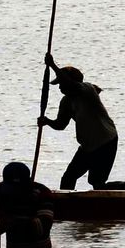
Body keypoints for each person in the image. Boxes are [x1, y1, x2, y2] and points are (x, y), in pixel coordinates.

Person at [37, 53, 119, 190]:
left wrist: (52, 65)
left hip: (106, 142)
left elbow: (72, 85)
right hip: (87, 146)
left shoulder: (87, 90)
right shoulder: (66, 101)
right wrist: (46, 121)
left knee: (96, 181)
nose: (59, 87)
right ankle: (65, 206)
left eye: (61, 83)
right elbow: (60, 125)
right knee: (68, 177)